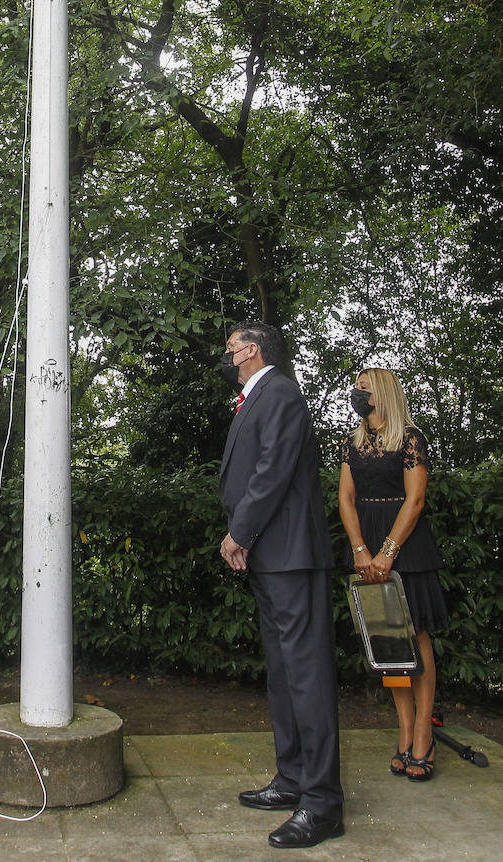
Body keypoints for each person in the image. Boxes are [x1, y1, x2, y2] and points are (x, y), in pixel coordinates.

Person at [217, 321, 343, 850]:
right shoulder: (256, 397)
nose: (225, 357)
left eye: (229, 350)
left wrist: (239, 531)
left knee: (306, 675)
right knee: (284, 674)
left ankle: (322, 803)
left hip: (289, 555)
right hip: (272, 557)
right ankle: (291, 779)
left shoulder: (282, 392)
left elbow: (272, 470)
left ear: (251, 351)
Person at [338, 367, 448, 782]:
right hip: (367, 548)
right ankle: (403, 730)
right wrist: (361, 549)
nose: (357, 393)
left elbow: (416, 500)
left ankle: (424, 732)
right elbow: (345, 499)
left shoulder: (411, 438)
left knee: (417, 636)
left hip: (407, 547)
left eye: (364, 388)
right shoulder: (352, 444)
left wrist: (387, 552)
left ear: (382, 394)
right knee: (389, 643)